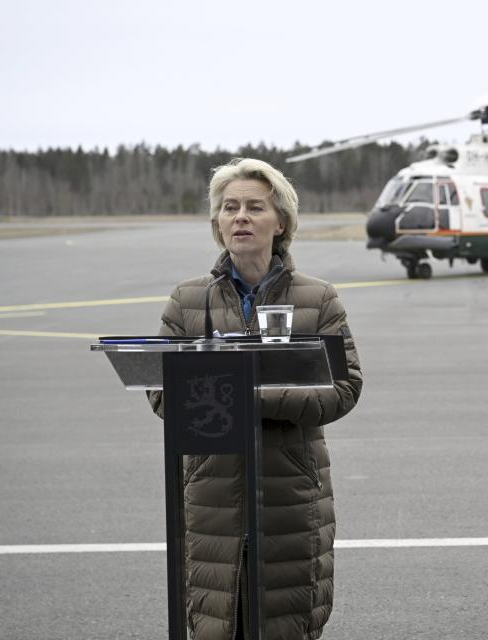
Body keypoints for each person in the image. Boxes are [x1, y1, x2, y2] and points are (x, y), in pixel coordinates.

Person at [148, 158, 363, 640]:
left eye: (254, 207)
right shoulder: (186, 300)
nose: (240, 216)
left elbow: (344, 387)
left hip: (290, 490)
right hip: (211, 493)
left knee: (286, 622)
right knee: (214, 623)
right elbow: (160, 392)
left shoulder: (319, 298)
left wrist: (252, 395)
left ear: (280, 221)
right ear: (217, 223)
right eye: (229, 207)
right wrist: (239, 392)